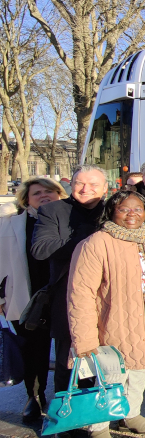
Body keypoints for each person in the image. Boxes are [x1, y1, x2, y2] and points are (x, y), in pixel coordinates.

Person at [68, 190, 145, 438]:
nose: (132, 214)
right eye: (124, 209)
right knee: (110, 373)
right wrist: (84, 338)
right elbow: (80, 294)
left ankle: (130, 414)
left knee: (139, 368)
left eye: (138, 209)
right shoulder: (96, 243)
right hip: (111, 320)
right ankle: (98, 426)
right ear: (111, 212)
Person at [31, 165, 109, 399]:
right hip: (68, 297)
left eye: (93, 185)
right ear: (71, 186)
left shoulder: (113, 211)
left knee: (104, 358)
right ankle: (67, 419)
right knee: (69, 359)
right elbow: (40, 249)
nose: (86, 189)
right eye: (79, 184)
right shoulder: (52, 210)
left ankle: (98, 413)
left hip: (106, 296)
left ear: (105, 188)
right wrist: (87, 238)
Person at [0, 177, 66, 423]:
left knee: (66, 350)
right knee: (32, 350)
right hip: (26, 296)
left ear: (60, 195)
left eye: (50, 191)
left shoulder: (69, 219)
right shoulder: (10, 224)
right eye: (37, 193)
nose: (44, 196)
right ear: (26, 199)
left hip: (63, 295)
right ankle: (34, 397)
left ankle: (66, 396)